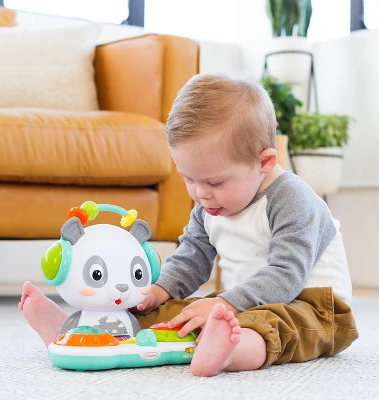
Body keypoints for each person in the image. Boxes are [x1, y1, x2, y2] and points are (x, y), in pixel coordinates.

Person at [20, 73, 358, 377]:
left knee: (266, 325)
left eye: (214, 182)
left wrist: (227, 304)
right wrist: (158, 291)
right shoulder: (209, 204)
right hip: (244, 300)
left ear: (265, 162)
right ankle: (75, 332)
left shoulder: (293, 200)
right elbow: (192, 256)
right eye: (188, 179)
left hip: (312, 307)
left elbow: (287, 274)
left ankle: (230, 351)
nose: (200, 193)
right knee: (175, 314)